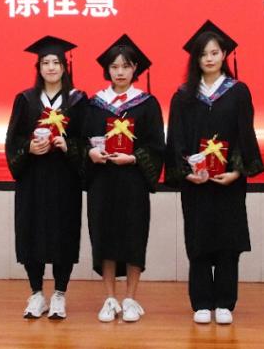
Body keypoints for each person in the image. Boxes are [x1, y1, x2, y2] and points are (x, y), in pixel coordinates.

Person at [165, 21, 263, 325]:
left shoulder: (238, 92)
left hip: (228, 182)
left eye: (214, 53)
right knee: (198, 240)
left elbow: (245, 135)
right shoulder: (184, 95)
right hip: (196, 183)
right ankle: (201, 302)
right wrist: (186, 171)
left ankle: (224, 302)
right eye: (203, 54)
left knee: (228, 241)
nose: (209, 58)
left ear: (224, 55)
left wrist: (236, 170)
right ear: (195, 58)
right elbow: (176, 138)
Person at [82, 34, 165, 323]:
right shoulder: (95, 104)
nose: (120, 72)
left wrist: (134, 158)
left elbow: (156, 146)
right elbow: (82, 140)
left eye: (126, 66)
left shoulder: (147, 104)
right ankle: (109, 298)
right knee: (104, 237)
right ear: (107, 69)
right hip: (102, 181)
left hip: (133, 182)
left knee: (133, 237)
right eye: (114, 67)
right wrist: (90, 153)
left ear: (135, 69)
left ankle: (130, 298)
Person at [5, 36, 87, 320]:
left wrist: (69, 146)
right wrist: (28, 147)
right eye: (45, 63)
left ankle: (60, 294)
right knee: (32, 232)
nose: (51, 67)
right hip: (33, 179)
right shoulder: (26, 100)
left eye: (56, 62)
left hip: (65, 180)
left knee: (64, 233)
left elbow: (86, 139)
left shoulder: (77, 101)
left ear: (65, 66)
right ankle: (37, 293)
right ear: (38, 68)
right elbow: (12, 139)